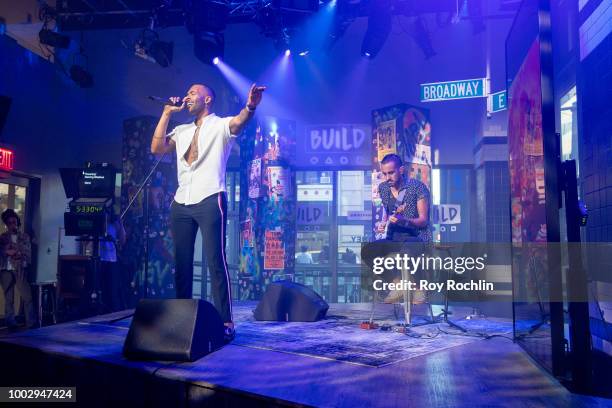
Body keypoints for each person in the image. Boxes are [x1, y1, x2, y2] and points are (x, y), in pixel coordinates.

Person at [151, 83, 266, 342]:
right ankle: (180, 318)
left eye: (193, 93)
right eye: (187, 92)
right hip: (181, 201)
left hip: (210, 197)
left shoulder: (219, 125)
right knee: (181, 262)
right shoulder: (180, 130)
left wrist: (251, 105)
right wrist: (167, 112)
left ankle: (226, 320)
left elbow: (238, 123)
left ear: (208, 99)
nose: (188, 96)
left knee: (216, 261)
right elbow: (156, 149)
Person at [373, 153, 432, 303]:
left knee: (407, 253)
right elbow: (388, 212)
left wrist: (404, 220)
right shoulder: (383, 189)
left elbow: (423, 221)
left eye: (391, 172)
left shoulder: (417, 187)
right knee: (370, 251)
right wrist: (383, 223)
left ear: (401, 170)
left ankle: (419, 287)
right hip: (394, 237)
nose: (387, 178)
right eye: (384, 173)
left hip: (416, 236)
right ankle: (397, 284)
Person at [0, 209, 34, 329]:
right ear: (6, 224)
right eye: (9, 223)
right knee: (8, 297)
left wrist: (19, 253)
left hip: (19, 269)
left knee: (27, 295)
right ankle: (10, 322)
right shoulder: (3, 237)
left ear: (17, 222)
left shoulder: (24, 236)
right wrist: (6, 251)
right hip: (5, 269)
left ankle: (31, 322)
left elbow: (28, 252)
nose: (12, 225)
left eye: (14, 222)